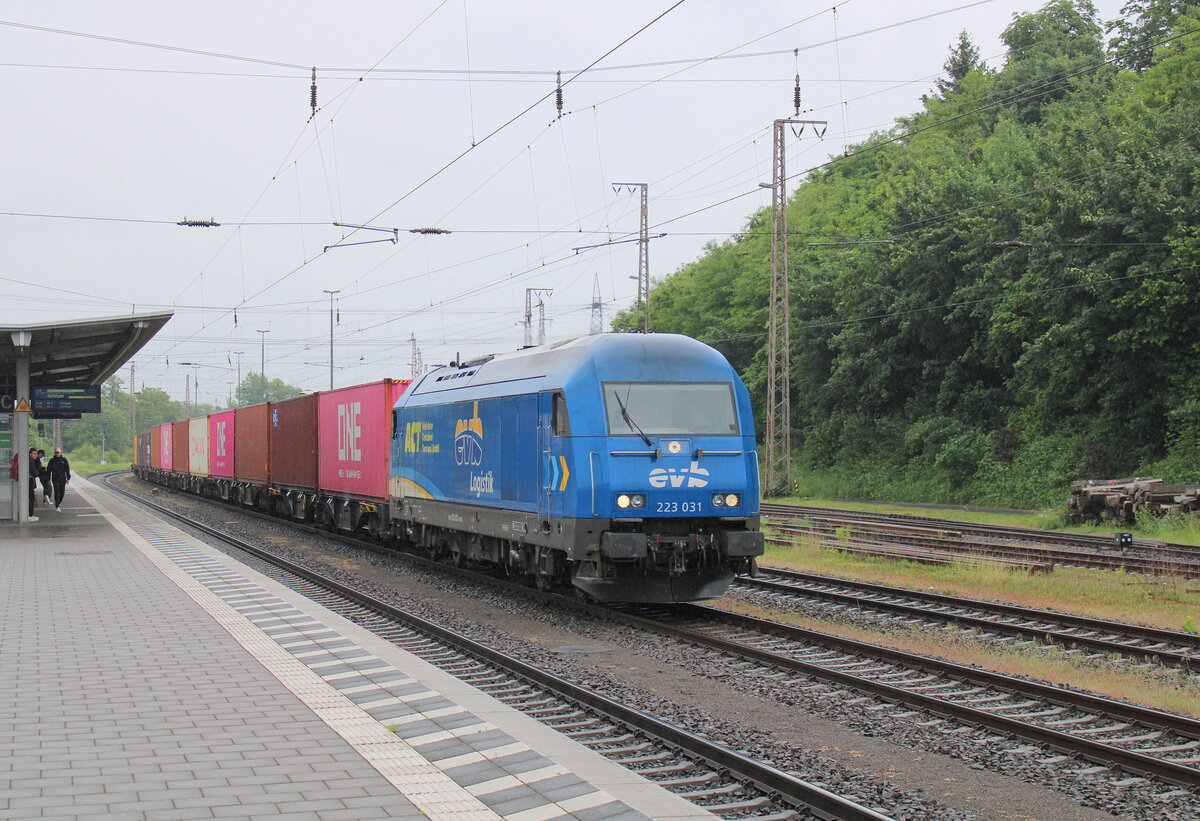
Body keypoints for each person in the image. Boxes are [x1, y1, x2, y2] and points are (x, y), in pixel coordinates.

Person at [47, 447, 71, 512]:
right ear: (54, 453)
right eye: (56, 452)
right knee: (57, 492)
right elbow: (49, 470)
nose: (57, 453)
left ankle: (59, 502)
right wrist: (48, 479)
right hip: (55, 478)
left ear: (60, 453)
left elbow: (67, 469)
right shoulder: (52, 461)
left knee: (62, 492)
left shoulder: (64, 460)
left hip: (62, 478)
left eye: (58, 452)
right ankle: (57, 505)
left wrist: (68, 478)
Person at [26, 447, 40, 521]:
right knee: (31, 498)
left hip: (27, 481)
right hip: (29, 481)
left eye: (36, 454)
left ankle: (30, 514)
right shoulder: (30, 462)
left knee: (29, 498)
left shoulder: (29, 460)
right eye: (34, 453)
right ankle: (30, 515)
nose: (35, 455)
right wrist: (37, 472)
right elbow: (35, 473)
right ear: (30, 454)